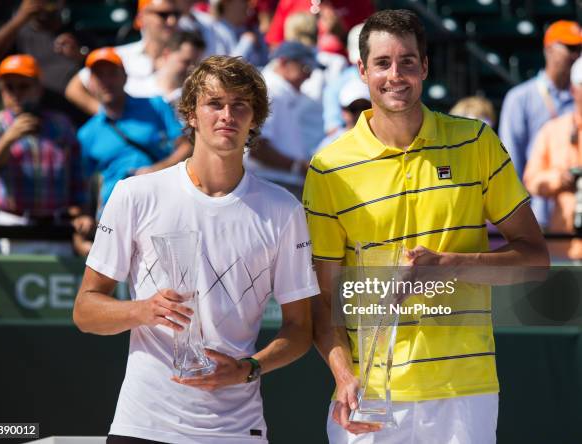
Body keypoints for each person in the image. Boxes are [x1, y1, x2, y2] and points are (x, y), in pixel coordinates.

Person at [303, 10, 549, 443]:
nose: (395, 75)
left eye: (408, 62)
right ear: (362, 70)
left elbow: (534, 261)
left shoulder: (476, 142)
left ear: (425, 68)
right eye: (382, 63)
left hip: (464, 393)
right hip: (369, 395)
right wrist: (343, 376)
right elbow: (325, 303)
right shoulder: (327, 169)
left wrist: (450, 264)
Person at [73, 55, 318, 443]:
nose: (228, 115)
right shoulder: (136, 195)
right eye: (214, 103)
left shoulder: (283, 209)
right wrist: (143, 309)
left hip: (236, 430)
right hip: (143, 423)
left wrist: (247, 368)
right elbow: (86, 310)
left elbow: (301, 328)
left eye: (240, 105)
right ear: (190, 113)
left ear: (255, 119)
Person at [0, 54, 87, 255]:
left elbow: (78, 178)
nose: (16, 94)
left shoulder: (61, 125)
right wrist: (9, 138)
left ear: (38, 88)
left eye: (23, 86)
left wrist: (82, 212)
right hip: (13, 224)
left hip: (57, 225)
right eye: (9, 87)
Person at [77, 47, 187, 217]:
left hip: (162, 205)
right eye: (99, 75)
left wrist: (157, 169)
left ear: (125, 77)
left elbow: (187, 147)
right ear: (90, 83)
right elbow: (82, 186)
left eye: (112, 73)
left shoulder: (156, 106)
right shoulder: (87, 133)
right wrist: (84, 218)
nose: (106, 81)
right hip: (114, 214)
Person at [499, 20, 582, 227]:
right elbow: (510, 165)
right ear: (549, 49)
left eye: (580, 49)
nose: (576, 55)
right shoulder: (521, 98)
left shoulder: (579, 95)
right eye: (570, 48)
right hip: (536, 217)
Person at [65, 0, 183, 115]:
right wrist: (110, 120)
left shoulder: (193, 54)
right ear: (141, 17)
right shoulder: (121, 55)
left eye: (176, 15)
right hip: (136, 131)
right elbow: (74, 89)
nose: (172, 21)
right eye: (163, 15)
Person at [524, 56, 582, 261]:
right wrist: (559, 179)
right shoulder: (553, 130)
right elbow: (532, 180)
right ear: (574, 89)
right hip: (562, 246)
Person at [246, 41, 322, 195]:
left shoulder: (278, 92)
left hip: (279, 184)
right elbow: (256, 147)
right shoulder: (270, 92)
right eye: (306, 68)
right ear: (283, 63)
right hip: (272, 184)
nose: (309, 75)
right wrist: (298, 166)